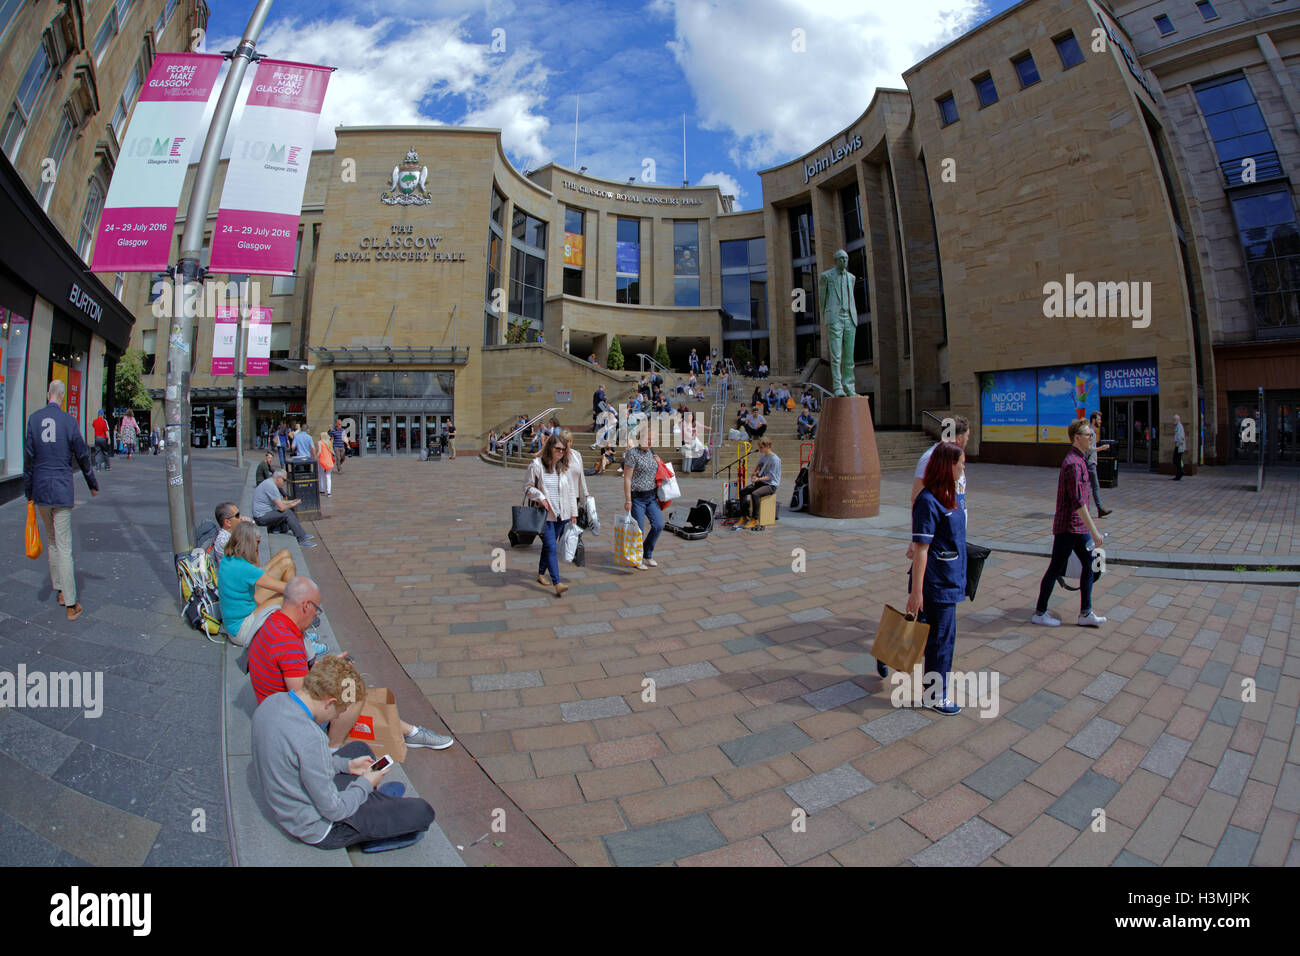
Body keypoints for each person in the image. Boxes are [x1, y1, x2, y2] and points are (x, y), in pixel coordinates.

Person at [250, 653, 438, 851]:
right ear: (330, 702)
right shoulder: (310, 737)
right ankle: (371, 818)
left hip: (293, 799)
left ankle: (370, 802)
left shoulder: (273, 702)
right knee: (422, 811)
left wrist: (346, 765)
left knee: (359, 749)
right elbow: (334, 810)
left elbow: (297, 760)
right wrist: (365, 784)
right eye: (340, 710)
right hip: (321, 826)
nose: (339, 715)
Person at [248, 576, 452, 750]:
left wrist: (328, 665)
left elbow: (293, 673)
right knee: (352, 693)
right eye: (317, 610)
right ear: (305, 605)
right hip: (285, 722)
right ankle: (332, 750)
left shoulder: (275, 621)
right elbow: (301, 698)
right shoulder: (287, 641)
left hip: (271, 710)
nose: (315, 617)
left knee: (347, 686)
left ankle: (410, 731)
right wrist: (335, 676)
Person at [898, 441, 968, 714]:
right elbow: (922, 549)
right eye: (960, 462)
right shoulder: (928, 501)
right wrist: (916, 593)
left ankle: (887, 656)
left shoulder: (951, 494)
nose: (963, 467)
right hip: (937, 582)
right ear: (947, 465)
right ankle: (936, 695)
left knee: (925, 633)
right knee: (941, 639)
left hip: (950, 576)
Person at [24, 379, 99, 621]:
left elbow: (29, 460)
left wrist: (29, 491)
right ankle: (71, 603)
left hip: (41, 490)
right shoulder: (69, 421)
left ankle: (58, 589)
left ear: (48, 395)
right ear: (63, 397)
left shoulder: (33, 420)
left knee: (53, 541)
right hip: (62, 489)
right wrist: (92, 484)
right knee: (65, 546)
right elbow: (82, 454)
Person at [1032, 418, 1108, 628]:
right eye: (1088, 435)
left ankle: (1085, 613)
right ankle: (1040, 613)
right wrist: (1095, 531)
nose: (1092, 438)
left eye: (1092, 435)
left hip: (1077, 527)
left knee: (1090, 566)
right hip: (1069, 527)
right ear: (1077, 438)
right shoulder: (1073, 464)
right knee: (1055, 568)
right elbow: (1078, 503)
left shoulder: (1080, 460)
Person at [217, 522, 304, 649]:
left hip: (236, 621)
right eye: (257, 543)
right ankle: (296, 634)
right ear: (250, 544)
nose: (258, 546)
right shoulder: (245, 568)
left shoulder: (228, 559)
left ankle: (293, 625)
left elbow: (257, 568)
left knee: (286, 562)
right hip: (241, 631)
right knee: (286, 598)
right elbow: (287, 589)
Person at [523, 432, 579, 597]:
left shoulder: (562, 468)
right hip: (545, 515)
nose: (561, 452)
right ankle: (557, 582)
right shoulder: (536, 465)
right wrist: (540, 497)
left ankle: (541, 573)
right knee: (552, 547)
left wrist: (573, 513)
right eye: (558, 449)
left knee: (549, 546)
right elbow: (527, 487)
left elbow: (570, 493)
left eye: (563, 449)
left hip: (562, 515)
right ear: (550, 448)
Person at [622, 423, 663, 571]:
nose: (651, 441)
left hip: (651, 496)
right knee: (638, 530)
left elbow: (656, 471)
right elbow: (627, 478)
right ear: (640, 438)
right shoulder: (632, 453)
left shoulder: (651, 452)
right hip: (637, 498)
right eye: (648, 438)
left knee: (659, 525)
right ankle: (636, 557)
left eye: (653, 439)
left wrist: (659, 462)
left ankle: (647, 552)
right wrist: (628, 500)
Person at [818, 249, 857, 396]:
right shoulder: (826, 276)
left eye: (846, 259)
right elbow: (822, 299)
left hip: (850, 318)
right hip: (835, 318)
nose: (844, 261)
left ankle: (849, 386)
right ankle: (837, 386)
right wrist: (826, 316)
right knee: (836, 355)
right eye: (841, 259)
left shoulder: (851, 278)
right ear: (836, 260)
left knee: (849, 356)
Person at [252, 469, 316, 547]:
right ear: (278, 478)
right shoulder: (271, 486)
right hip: (261, 517)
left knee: (288, 511)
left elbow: (279, 502)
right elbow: (281, 507)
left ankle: (283, 529)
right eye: (284, 480)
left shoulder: (270, 483)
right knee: (287, 513)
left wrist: (291, 502)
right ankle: (301, 538)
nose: (284, 483)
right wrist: (293, 504)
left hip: (264, 514)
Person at [735, 437, 781, 530]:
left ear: (768, 446)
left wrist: (758, 479)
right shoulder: (763, 455)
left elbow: (770, 477)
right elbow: (759, 465)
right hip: (761, 481)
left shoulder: (775, 460)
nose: (759, 449)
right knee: (743, 491)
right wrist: (755, 472)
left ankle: (755, 519)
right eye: (759, 447)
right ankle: (744, 516)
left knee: (755, 494)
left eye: (761, 447)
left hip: (770, 485)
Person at [1086, 411, 1113, 518]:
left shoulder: (1091, 431)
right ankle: (1099, 509)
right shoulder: (1091, 432)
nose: (1100, 422)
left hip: (1090, 463)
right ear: (1093, 420)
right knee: (1095, 486)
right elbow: (1088, 450)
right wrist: (1101, 448)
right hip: (1090, 463)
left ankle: (1088, 509)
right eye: (1099, 419)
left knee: (1088, 487)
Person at [317, 431, 336, 496]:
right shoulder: (329, 442)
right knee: (328, 476)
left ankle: (322, 489)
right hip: (329, 460)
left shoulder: (320, 442)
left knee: (321, 475)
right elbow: (332, 451)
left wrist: (315, 456)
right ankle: (329, 492)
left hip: (322, 460)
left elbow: (319, 452)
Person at [1172, 413, 1186, 480]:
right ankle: (1179, 473)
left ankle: (1180, 473)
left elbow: (1181, 437)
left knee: (1176, 460)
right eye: (1173, 419)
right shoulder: (1178, 426)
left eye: (1175, 419)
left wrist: (1178, 444)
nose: (1174, 420)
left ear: (1178, 419)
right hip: (1178, 446)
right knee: (1177, 460)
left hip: (1179, 446)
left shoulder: (1179, 426)